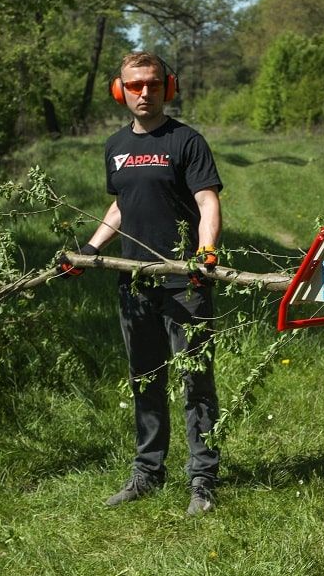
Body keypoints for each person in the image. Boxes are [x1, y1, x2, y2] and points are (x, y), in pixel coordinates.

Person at [76, 51, 223, 516]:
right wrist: (93, 248)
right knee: (145, 380)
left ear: (168, 87)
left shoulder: (187, 141)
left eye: (153, 85)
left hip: (185, 281)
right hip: (134, 281)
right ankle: (147, 471)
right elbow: (121, 206)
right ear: (121, 90)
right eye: (135, 85)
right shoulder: (115, 145)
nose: (144, 93)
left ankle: (203, 478)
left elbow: (206, 202)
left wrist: (206, 254)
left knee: (195, 380)